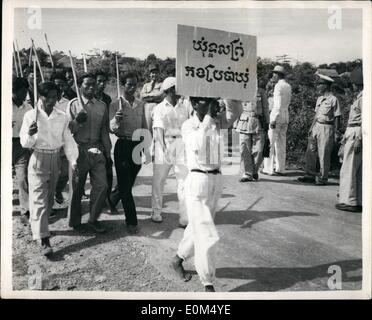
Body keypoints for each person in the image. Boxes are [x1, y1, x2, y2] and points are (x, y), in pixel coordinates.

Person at [171, 96, 241, 292]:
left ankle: (178, 258)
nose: (211, 104)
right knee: (205, 232)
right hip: (197, 180)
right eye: (205, 101)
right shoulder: (188, 126)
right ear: (194, 104)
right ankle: (207, 282)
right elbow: (198, 146)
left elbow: (235, 113)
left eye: (212, 100)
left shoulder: (217, 122)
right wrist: (209, 118)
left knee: (197, 226)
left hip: (215, 180)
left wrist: (230, 96)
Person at [20, 81, 78, 256]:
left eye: (55, 97)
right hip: (38, 158)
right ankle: (44, 239)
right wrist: (31, 134)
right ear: (40, 96)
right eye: (48, 97)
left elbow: (68, 140)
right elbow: (25, 143)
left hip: (55, 159)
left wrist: (73, 162)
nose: (52, 101)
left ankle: (37, 226)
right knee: (38, 199)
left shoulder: (62, 116)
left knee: (48, 200)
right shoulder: (31, 115)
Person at [68, 73, 111, 233]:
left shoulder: (102, 106)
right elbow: (67, 131)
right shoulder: (73, 105)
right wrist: (77, 122)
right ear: (79, 86)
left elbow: (105, 131)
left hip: (97, 149)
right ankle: (75, 222)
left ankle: (93, 219)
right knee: (77, 188)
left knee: (102, 185)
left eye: (93, 84)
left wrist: (108, 152)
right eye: (87, 85)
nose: (91, 87)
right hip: (78, 149)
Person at [109, 72, 148, 234]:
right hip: (123, 144)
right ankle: (131, 221)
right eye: (129, 84)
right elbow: (111, 128)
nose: (132, 88)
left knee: (129, 180)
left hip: (138, 145)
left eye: (134, 85)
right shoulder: (115, 104)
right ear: (123, 85)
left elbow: (144, 125)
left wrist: (147, 147)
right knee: (126, 186)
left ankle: (112, 198)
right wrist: (116, 119)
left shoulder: (140, 104)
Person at [151, 77, 189, 227]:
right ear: (170, 90)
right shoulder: (159, 108)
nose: (180, 91)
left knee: (184, 181)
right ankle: (156, 212)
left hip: (181, 145)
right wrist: (165, 149)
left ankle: (184, 216)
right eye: (177, 88)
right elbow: (158, 131)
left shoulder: (184, 107)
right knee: (159, 181)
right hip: (164, 145)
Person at [298, 74, 342, 185]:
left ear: (326, 86)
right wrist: (311, 127)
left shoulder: (333, 99)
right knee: (310, 151)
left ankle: (323, 178)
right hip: (317, 126)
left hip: (327, 127)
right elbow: (316, 115)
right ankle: (310, 175)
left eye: (320, 84)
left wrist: (337, 132)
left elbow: (337, 116)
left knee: (324, 153)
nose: (317, 86)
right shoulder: (319, 99)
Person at [336, 67, 363, 212]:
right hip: (353, 132)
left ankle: (349, 201)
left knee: (349, 168)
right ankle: (356, 200)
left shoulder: (363, 98)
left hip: (356, 133)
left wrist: (359, 139)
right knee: (356, 170)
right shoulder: (361, 97)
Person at [94, 70, 118, 215]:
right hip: (88, 141)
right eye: (99, 81)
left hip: (103, 140)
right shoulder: (86, 98)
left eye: (104, 81)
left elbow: (110, 124)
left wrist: (116, 120)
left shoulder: (107, 99)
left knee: (107, 170)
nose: (101, 84)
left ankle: (107, 200)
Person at [262, 65, 292, 176]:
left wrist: (273, 119)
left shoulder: (278, 86)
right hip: (285, 115)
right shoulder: (288, 86)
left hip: (277, 115)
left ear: (278, 75)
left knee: (270, 142)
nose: (273, 75)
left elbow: (277, 104)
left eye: (274, 73)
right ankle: (280, 168)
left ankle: (268, 168)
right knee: (281, 143)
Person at [235, 86, 270, 181]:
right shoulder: (241, 89)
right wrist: (235, 123)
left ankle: (254, 170)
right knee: (244, 149)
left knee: (259, 150)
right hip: (244, 122)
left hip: (258, 122)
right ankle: (248, 173)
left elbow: (265, 107)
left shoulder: (261, 91)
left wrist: (267, 122)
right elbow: (237, 108)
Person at [50, 72, 74, 208]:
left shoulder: (68, 103)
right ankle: (49, 204)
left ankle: (58, 190)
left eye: (61, 85)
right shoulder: (43, 102)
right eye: (56, 84)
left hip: (65, 142)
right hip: (49, 144)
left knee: (65, 173)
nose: (58, 87)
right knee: (51, 173)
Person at [12, 77, 33, 225]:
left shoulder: (29, 109)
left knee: (23, 178)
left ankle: (25, 211)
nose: (24, 94)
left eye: (25, 91)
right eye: (21, 91)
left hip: (21, 145)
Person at [140, 64, 164, 135]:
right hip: (147, 107)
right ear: (150, 74)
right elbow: (141, 96)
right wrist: (153, 95)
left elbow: (160, 95)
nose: (154, 74)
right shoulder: (146, 85)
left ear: (159, 74)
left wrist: (148, 95)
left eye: (156, 73)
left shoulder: (161, 84)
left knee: (158, 128)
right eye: (153, 73)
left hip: (158, 107)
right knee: (147, 128)